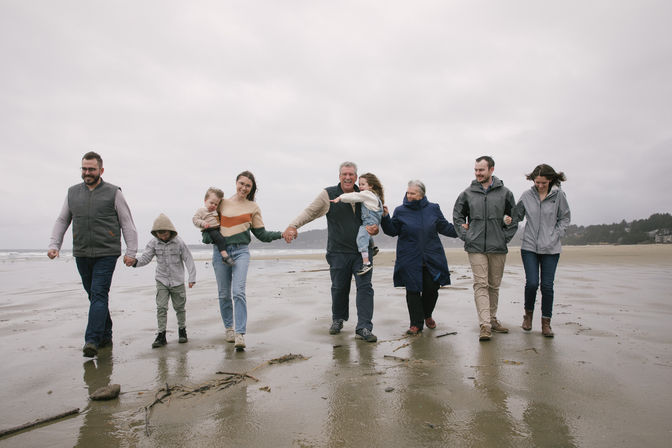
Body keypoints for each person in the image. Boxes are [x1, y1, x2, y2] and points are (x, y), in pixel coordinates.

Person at [48, 151, 138, 357]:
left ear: (101, 170)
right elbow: (62, 220)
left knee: (98, 293)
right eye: (84, 169)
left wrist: (131, 251)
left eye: (91, 169)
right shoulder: (72, 193)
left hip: (106, 252)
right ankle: (106, 334)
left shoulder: (114, 192)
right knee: (94, 296)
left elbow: (127, 223)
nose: (87, 172)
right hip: (81, 251)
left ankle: (92, 340)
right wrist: (55, 245)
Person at [283, 162, 379, 342]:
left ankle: (364, 327)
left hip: (362, 252)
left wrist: (376, 229)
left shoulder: (365, 195)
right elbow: (310, 212)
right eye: (344, 174)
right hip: (338, 251)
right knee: (339, 287)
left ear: (356, 177)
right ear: (339, 176)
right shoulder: (328, 194)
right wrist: (293, 225)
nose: (348, 177)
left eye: (351, 174)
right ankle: (338, 319)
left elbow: (375, 216)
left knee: (365, 288)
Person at [213, 171, 283, 350]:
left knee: (238, 291)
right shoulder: (222, 203)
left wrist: (281, 234)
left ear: (251, 189)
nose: (244, 188)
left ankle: (240, 334)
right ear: (236, 183)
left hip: (241, 252)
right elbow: (209, 226)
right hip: (220, 252)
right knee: (223, 294)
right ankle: (229, 328)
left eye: (248, 186)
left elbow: (262, 234)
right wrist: (208, 238)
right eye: (241, 183)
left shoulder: (253, 207)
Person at [453, 156, 518, 341]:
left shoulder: (506, 193)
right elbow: (457, 216)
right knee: (481, 284)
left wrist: (505, 237)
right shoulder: (467, 193)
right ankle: (485, 325)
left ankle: (492, 318)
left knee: (493, 285)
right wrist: (466, 235)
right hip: (476, 247)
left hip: (498, 246)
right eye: (476, 170)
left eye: (481, 170)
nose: (477, 173)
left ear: (491, 170)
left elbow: (514, 217)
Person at [381, 180, 458, 335]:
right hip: (409, 257)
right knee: (412, 291)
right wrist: (385, 217)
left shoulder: (433, 208)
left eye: (412, 193)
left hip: (432, 256)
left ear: (421, 194)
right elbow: (392, 230)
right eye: (407, 192)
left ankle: (427, 314)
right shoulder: (400, 211)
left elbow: (444, 227)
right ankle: (415, 324)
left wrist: (462, 230)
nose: (408, 195)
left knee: (432, 289)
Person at [512, 164, 571, 337]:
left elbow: (565, 218)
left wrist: (556, 235)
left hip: (551, 248)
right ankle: (528, 316)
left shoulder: (559, 196)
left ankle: (546, 323)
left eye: (543, 183)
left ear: (551, 180)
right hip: (529, 246)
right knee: (532, 283)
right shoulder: (527, 195)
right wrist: (508, 218)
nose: (540, 185)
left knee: (547, 286)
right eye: (537, 182)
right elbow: (517, 216)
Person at [133, 213, 197, 348]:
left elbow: (188, 259)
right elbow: (145, 258)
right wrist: (134, 262)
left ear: (170, 231)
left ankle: (182, 331)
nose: (162, 236)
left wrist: (192, 278)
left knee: (179, 307)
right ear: (156, 233)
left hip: (178, 281)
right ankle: (161, 335)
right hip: (161, 280)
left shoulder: (179, 242)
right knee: (161, 308)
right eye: (159, 234)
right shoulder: (153, 243)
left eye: (165, 233)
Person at [330, 172, 384, 276]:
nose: (360, 187)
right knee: (366, 236)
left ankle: (366, 263)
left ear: (371, 186)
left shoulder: (367, 194)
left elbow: (355, 196)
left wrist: (340, 198)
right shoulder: (375, 196)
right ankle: (373, 248)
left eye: (363, 184)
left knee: (361, 240)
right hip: (372, 222)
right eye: (359, 184)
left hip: (368, 223)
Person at [193, 187, 235, 265]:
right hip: (209, 229)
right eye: (211, 203)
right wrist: (203, 223)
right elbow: (195, 219)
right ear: (205, 201)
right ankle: (225, 257)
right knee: (220, 239)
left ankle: (225, 255)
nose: (213, 205)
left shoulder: (216, 211)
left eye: (216, 204)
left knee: (223, 238)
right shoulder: (201, 210)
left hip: (217, 228)